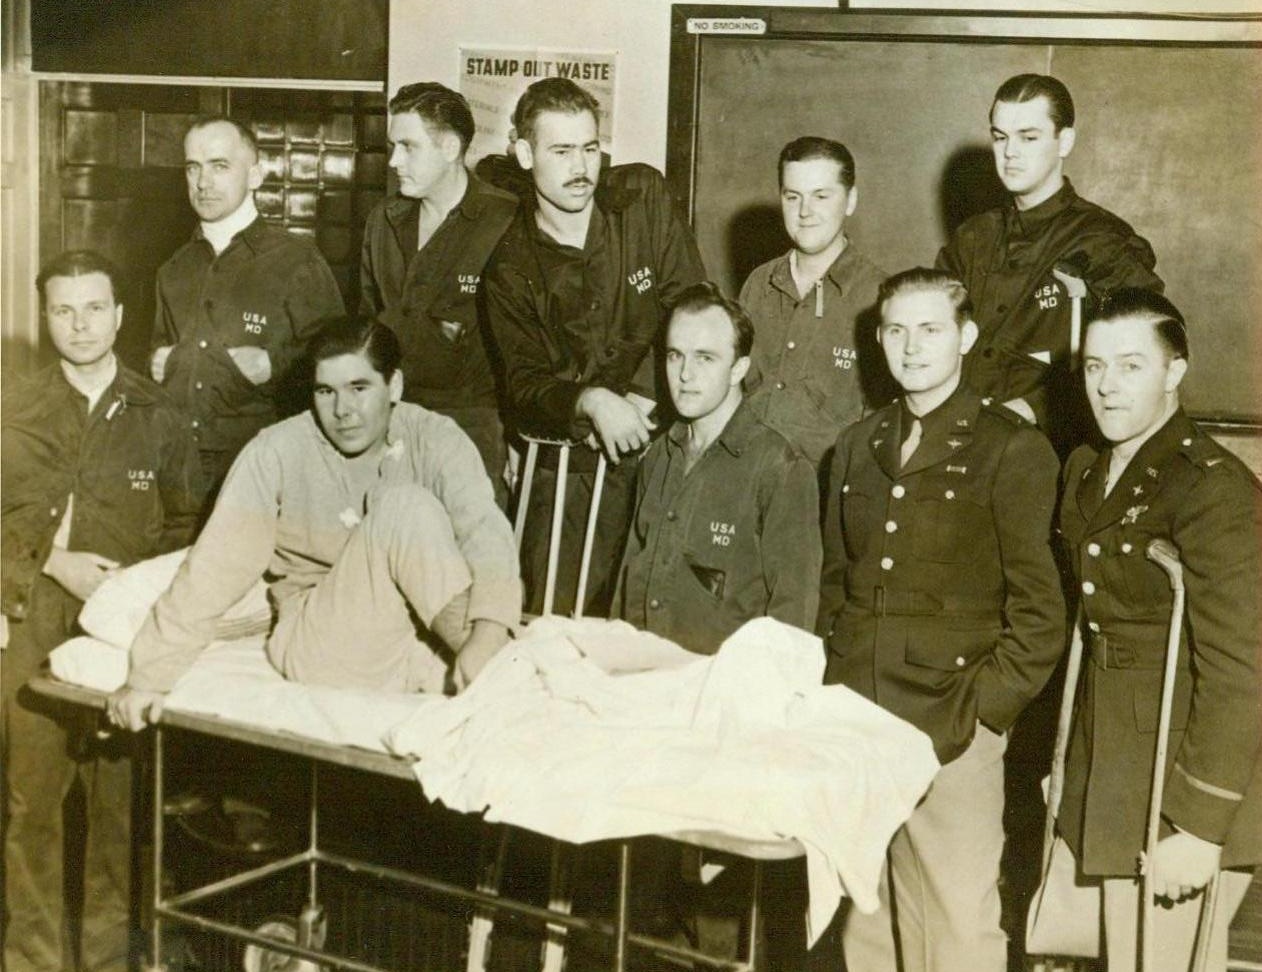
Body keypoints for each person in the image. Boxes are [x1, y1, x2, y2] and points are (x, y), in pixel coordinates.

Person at [817, 268, 1065, 972]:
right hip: (860, 714)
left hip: (952, 723)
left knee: (958, 926)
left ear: (966, 336)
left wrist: (987, 712)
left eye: (930, 329)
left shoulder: (1009, 448)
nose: (912, 346)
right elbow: (837, 586)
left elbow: (1041, 612)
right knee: (868, 918)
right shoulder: (855, 445)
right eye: (895, 330)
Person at [108, 318, 522, 731]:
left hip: (413, 636)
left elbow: (485, 534)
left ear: (393, 386)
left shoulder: (435, 436)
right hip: (320, 641)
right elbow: (213, 569)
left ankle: (494, 665)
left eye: (359, 388)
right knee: (405, 507)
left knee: (517, 695)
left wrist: (488, 630)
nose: (343, 411)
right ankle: (496, 667)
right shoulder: (276, 451)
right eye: (326, 391)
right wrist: (147, 678)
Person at [2, 251, 203, 972]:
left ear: (120, 315)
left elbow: (189, 533)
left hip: (126, 638)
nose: (80, 325)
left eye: (94, 308)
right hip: (32, 621)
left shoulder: (161, 414)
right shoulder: (12, 410)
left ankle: (110, 961)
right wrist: (55, 563)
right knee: (31, 809)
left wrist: (135, 596)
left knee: (120, 813)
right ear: (44, 316)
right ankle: (30, 962)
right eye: (63, 309)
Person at [1056, 288, 1260, 972]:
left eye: (1131, 365)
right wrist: (1067, 767)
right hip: (1114, 768)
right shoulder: (1088, 469)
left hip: (1182, 779)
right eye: (1093, 366)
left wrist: (1200, 826)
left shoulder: (1212, 488)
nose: (1107, 386)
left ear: (1175, 371)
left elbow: (1242, 670)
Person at [483, 77, 706, 616]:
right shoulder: (509, 269)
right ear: (523, 153)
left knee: (654, 628)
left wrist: (642, 393)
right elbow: (525, 385)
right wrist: (590, 401)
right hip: (568, 473)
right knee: (553, 625)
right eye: (560, 151)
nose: (580, 167)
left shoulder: (641, 199)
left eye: (589, 148)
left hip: (663, 453)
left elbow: (692, 301)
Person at [936, 74, 1163, 451]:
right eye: (1000, 137)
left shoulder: (1102, 240)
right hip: (963, 440)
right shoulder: (972, 237)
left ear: (1065, 141)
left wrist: (1032, 408)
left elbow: (1143, 353)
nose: (1010, 153)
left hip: (1053, 448)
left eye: (1028, 137)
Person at [618, 282, 821, 654]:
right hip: (647, 678)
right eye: (675, 356)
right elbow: (629, 582)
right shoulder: (660, 456)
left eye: (705, 358)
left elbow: (793, 624)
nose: (684, 375)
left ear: (738, 368)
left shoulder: (780, 470)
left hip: (726, 692)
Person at [152, 115, 345, 492]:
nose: (203, 183)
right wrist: (160, 363)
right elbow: (157, 362)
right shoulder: (172, 269)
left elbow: (341, 361)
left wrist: (275, 364)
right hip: (180, 468)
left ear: (255, 176)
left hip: (264, 468)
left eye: (219, 166)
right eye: (193, 168)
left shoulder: (297, 261)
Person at [359, 82, 518, 499]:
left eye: (408, 147)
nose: (394, 161)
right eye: (393, 146)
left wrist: (517, 435)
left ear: (449, 148)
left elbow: (525, 345)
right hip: (391, 422)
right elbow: (367, 319)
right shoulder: (383, 220)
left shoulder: (506, 221)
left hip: (474, 432)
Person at [739, 136, 887, 466]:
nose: (805, 211)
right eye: (793, 197)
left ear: (850, 200)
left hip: (823, 492)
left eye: (821, 196)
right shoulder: (758, 284)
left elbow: (884, 425)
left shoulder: (880, 296)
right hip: (745, 482)